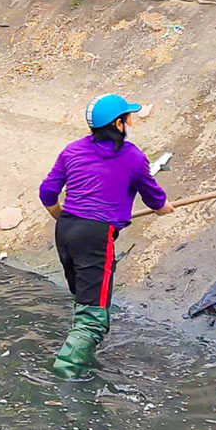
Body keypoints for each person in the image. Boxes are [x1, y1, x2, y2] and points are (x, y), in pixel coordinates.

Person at [38, 93, 174, 379]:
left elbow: (47, 193)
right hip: (96, 236)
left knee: (84, 298)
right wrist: (164, 207)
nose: (131, 121)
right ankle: (66, 374)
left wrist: (61, 215)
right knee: (93, 318)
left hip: (65, 230)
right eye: (128, 117)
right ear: (118, 124)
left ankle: (83, 353)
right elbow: (155, 198)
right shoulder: (134, 157)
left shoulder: (72, 151)